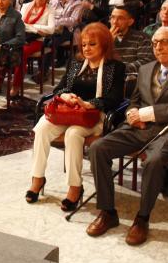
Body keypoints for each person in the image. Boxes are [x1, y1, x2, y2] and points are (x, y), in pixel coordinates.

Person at [86, 27, 168, 246]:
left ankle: (142, 218)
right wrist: (133, 114)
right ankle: (107, 211)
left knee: (154, 161)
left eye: (164, 42)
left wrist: (146, 114)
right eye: (154, 43)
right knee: (97, 148)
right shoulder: (146, 69)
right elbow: (134, 100)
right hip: (138, 128)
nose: (158, 47)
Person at [28, 23, 125, 211]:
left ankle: (74, 186)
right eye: (84, 45)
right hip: (69, 111)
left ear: (104, 45)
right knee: (41, 128)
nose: (86, 49)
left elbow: (115, 99)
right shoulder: (76, 63)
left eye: (92, 44)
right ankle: (37, 178)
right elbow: (60, 88)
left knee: (73, 134)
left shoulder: (116, 67)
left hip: (95, 115)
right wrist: (66, 96)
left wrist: (90, 104)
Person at [19, 0, 55, 85]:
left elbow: (51, 29)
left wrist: (30, 26)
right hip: (22, 37)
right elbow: (20, 25)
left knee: (21, 51)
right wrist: (36, 29)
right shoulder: (26, 6)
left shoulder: (50, 9)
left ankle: (17, 82)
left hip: (37, 40)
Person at [110, 6, 154, 74]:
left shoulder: (142, 38)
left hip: (133, 80)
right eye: (112, 17)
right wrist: (107, 43)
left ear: (130, 22)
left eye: (120, 18)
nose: (114, 22)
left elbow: (146, 61)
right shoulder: (102, 38)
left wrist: (119, 69)